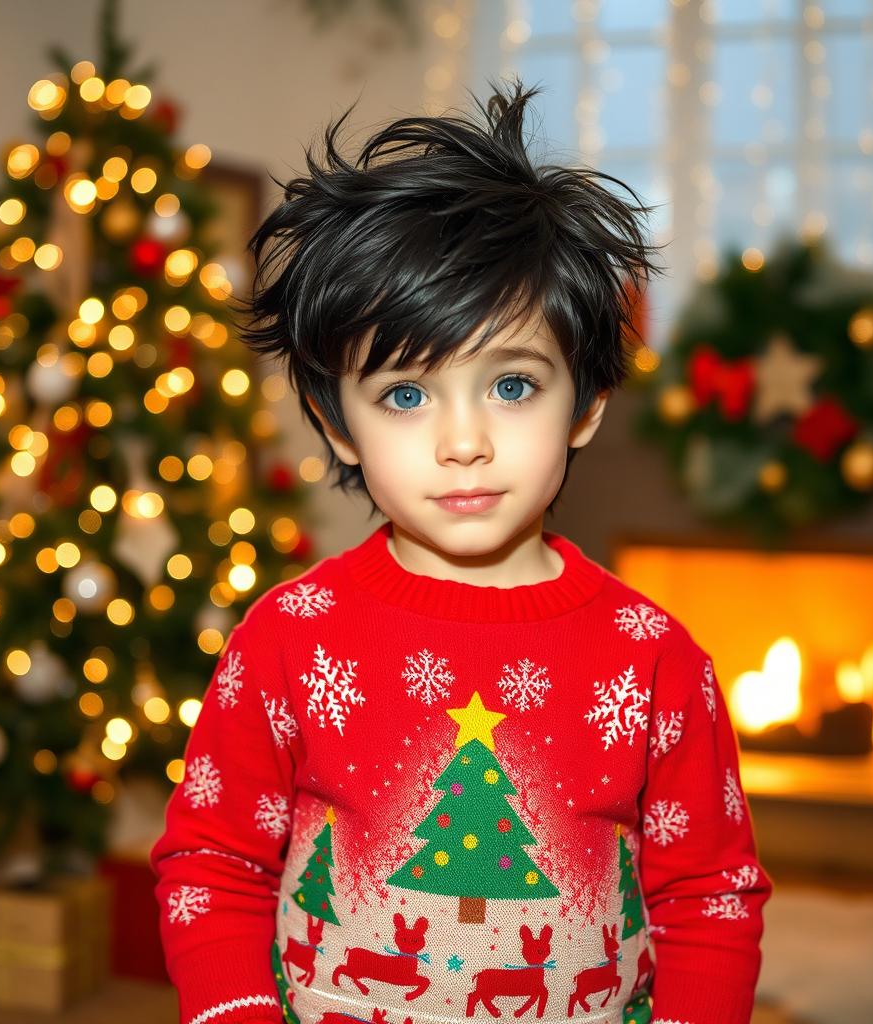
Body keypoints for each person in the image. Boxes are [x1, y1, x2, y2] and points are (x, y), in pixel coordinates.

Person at [150, 77, 772, 1024]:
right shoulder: (288, 638)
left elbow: (710, 897)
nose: (464, 440)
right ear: (338, 424)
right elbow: (214, 860)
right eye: (406, 394)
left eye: (513, 386)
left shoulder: (655, 659)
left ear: (589, 402)